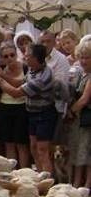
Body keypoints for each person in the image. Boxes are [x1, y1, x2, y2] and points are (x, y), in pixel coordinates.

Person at [0, 44, 56, 175]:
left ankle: (48, 181)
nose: (24, 56)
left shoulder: (42, 77)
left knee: (42, 150)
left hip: (44, 114)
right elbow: (20, 83)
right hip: (33, 113)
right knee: (34, 148)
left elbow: (15, 93)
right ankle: (38, 178)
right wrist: (2, 74)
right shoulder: (32, 70)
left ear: (36, 58)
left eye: (28, 54)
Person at [0, 42, 30, 168]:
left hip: (21, 107)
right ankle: (11, 171)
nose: (9, 59)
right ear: (2, 58)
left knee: (21, 144)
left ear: (16, 54)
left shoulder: (25, 68)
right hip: (4, 107)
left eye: (12, 55)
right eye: (6, 56)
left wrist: (2, 76)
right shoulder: (1, 69)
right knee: (8, 143)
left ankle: (24, 172)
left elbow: (19, 85)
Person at [66, 40, 91, 187]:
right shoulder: (80, 73)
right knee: (78, 151)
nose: (83, 60)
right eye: (81, 57)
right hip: (79, 120)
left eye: (87, 57)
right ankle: (76, 183)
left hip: (87, 119)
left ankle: (86, 186)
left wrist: (70, 111)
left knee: (87, 153)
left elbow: (84, 99)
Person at [39, 30, 70, 146]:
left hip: (55, 109)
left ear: (54, 42)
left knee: (51, 146)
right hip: (38, 108)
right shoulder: (37, 58)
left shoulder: (61, 59)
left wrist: (38, 85)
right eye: (42, 42)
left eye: (48, 41)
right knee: (39, 146)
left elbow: (59, 86)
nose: (45, 44)